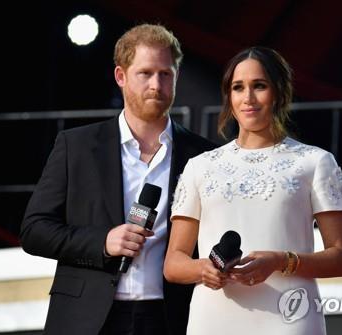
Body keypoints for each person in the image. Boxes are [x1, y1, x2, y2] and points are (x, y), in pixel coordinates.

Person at [20, 24, 215, 335]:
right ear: (121, 76)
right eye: (146, 73)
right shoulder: (77, 146)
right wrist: (103, 241)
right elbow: (34, 230)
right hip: (87, 318)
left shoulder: (204, 155)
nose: (156, 84)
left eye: (166, 74)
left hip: (170, 317)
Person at [164, 46, 342, 335]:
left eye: (259, 86)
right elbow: (173, 263)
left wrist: (280, 261)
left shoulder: (315, 162)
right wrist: (204, 269)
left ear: (278, 92)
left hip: (289, 317)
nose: (248, 98)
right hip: (213, 320)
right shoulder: (199, 167)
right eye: (238, 88)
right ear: (229, 96)